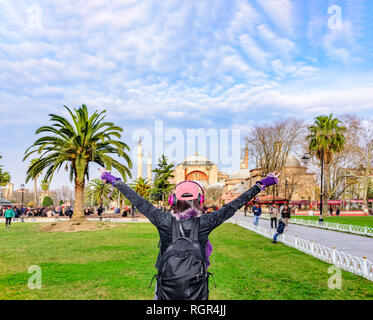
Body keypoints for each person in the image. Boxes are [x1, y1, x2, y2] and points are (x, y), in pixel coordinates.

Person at [101, 170, 280, 300]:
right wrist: (260, 184)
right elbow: (232, 206)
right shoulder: (205, 222)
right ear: (200, 201)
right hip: (196, 286)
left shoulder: (162, 220)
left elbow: (139, 201)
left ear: (173, 200)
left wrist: (115, 181)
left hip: (166, 284)